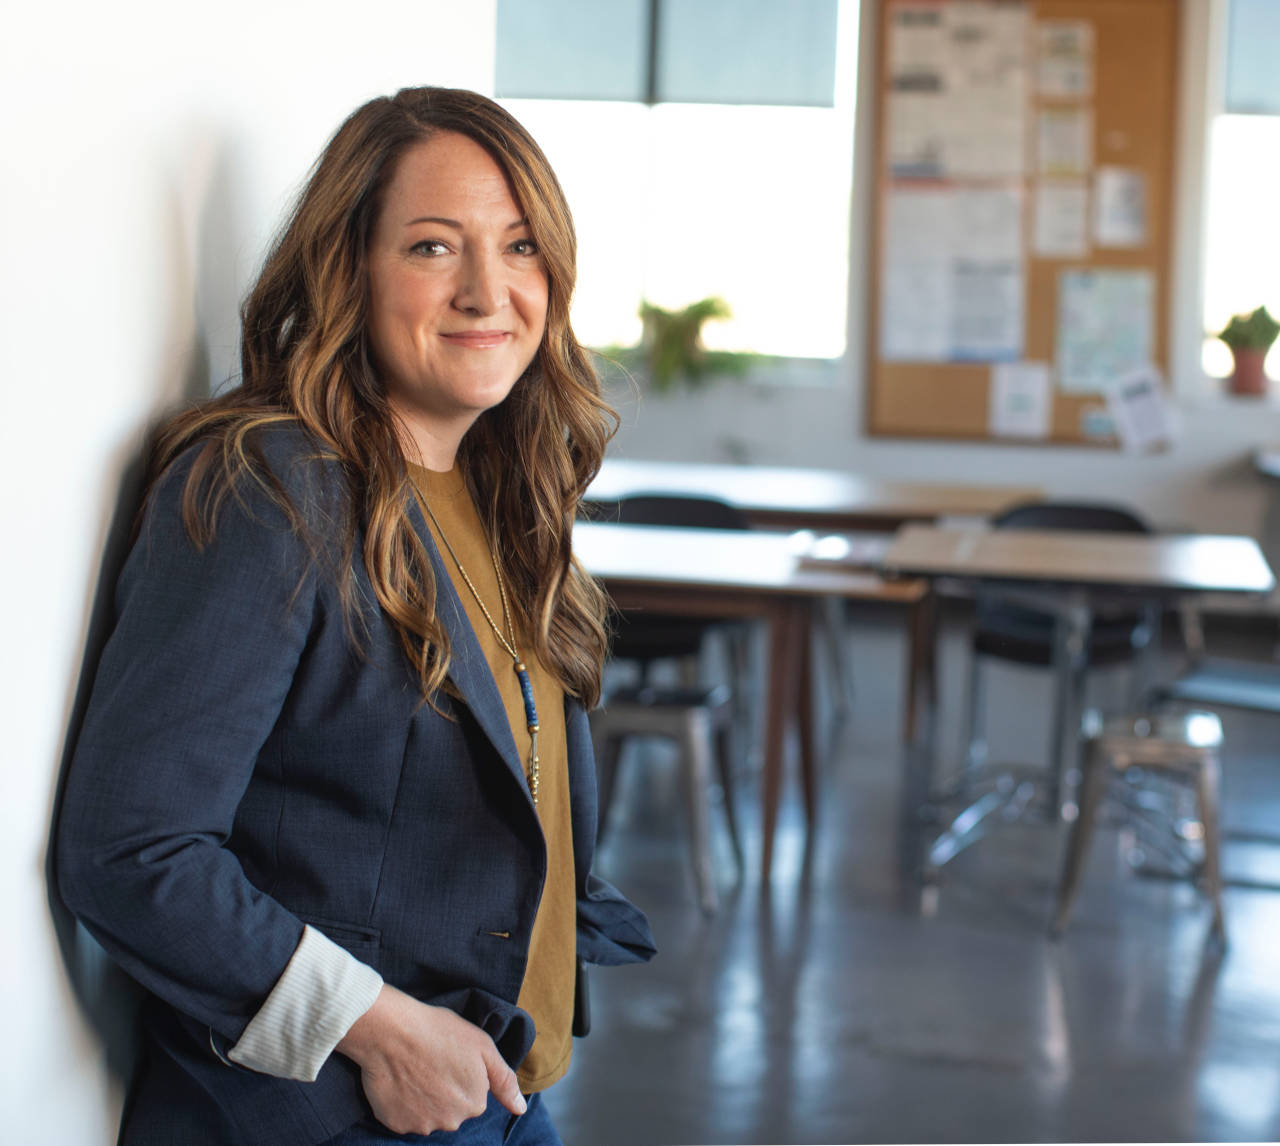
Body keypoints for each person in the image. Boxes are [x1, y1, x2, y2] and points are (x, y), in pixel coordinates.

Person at [55, 86, 655, 1146]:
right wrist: (375, 1029)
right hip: (344, 1108)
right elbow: (131, 847)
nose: (487, 289)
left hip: (498, 1088)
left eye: (519, 247)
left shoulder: (500, 488)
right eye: (433, 247)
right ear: (351, 269)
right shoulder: (269, 490)